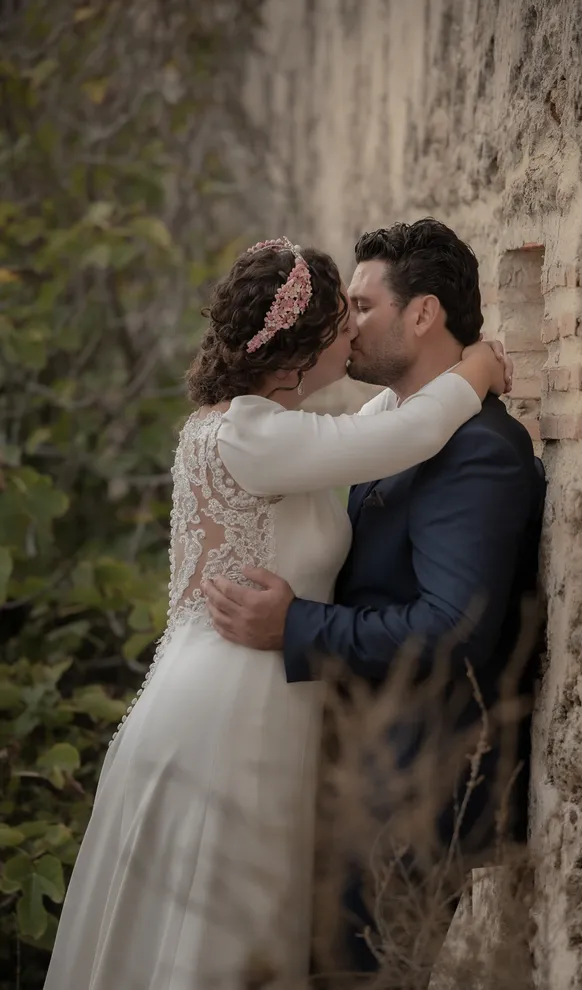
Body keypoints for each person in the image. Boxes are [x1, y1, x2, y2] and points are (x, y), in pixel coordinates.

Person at [43, 235, 511, 990]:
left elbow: (382, 426)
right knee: (228, 932)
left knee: (231, 923)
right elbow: (406, 433)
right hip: (233, 706)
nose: (353, 335)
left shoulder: (236, 425)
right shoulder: (253, 433)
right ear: (302, 348)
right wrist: (477, 370)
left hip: (232, 689)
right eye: (342, 321)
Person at [204, 219, 547, 975]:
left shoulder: (479, 452)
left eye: (361, 306)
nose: (344, 325)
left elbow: (452, 629)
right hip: (363, 776)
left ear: (421, 314)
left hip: (418, 791)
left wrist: (296, 624)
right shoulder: (395, 426)